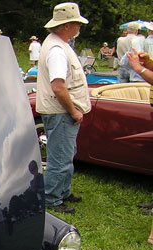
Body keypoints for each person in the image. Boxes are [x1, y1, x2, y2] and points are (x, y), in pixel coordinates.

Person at [36, 2, 90, 215]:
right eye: (77, 24)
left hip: (61, 112)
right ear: (67, 25)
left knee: (67, 153)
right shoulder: (57, 50)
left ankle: (62, 191)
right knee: (60, 156)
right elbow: (58, 86)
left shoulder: (57, 44)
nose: (79, 27)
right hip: (61, 112)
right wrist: (74, 110)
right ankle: (51, 198)